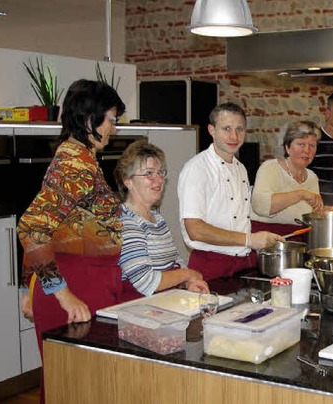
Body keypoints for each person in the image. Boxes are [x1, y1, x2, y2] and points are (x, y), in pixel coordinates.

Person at [16, 79, 126, 403]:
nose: (114, 128)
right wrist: (62, 296)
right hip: (74, 289)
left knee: (73, 387)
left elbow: (49, 227)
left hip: (79, 282)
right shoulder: (75, 164)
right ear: (91, 120)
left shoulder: (77, 157)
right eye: (112, 119)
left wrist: (29, 286)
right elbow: (33, 229)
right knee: (76, 389)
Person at [178, 102, 284, 281]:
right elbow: (194, 229)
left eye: (239, 129)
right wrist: (248, 240)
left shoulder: (240, 168)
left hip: (243, 264)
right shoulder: (197, 168)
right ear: (212, 130)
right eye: (226, 128)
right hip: (210, 264)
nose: (234, 136)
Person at [114, 140, 209, 301]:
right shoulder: (126, 222)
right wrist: (189, 274)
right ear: (128, 181)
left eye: (160, 173)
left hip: (163, 303)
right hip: (139, 310)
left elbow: (175, 261)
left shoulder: (157, 219)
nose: (158, 179)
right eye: (148, 174)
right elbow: (146, 282)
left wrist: (189, 283)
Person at [251, 120, 324, 238]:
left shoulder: (312, 177)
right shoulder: (270, 168)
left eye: (312, 146)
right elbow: (260, 205)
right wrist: (300, 194)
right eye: (301, 144)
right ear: (288, 147)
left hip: (299, 241)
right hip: (266, 240)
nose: (307, 150)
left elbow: (310, 217)